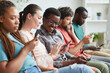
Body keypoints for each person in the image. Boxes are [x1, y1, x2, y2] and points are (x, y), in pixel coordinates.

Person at [7, 2, 95, 73]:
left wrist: (57, 54)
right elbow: (34, 63)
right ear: (29, 16)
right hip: (49, 66)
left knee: (86, 68)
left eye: (56, 23)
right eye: (39, 18)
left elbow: (38, 61)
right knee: (84, 69)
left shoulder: (31, 35)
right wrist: (53, 58)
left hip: (49, 66)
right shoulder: (27, 37)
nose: (40, 21)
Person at [37, 7, 108, 73]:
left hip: (71, 60)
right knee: (101, 68)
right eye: (51, 21)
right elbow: (48, 62)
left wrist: (75, 58)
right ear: (44, 19)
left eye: (56, 23)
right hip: (61, 65)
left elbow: (65, 52)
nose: (54, 25)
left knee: (103, 66)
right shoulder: (39, 37)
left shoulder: (58, 33)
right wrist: (73, 61)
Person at [57, 6, 110, 72]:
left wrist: (72, 34)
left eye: (71, 19)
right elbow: (69, 54)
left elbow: (79, 45)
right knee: (104, 66)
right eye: (68, 19)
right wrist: (83, 42)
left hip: (83, 54)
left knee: (108, 63)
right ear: (60, 20)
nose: (71, 22)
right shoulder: (58, 33)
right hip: (77, 57)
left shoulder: (68, 29)